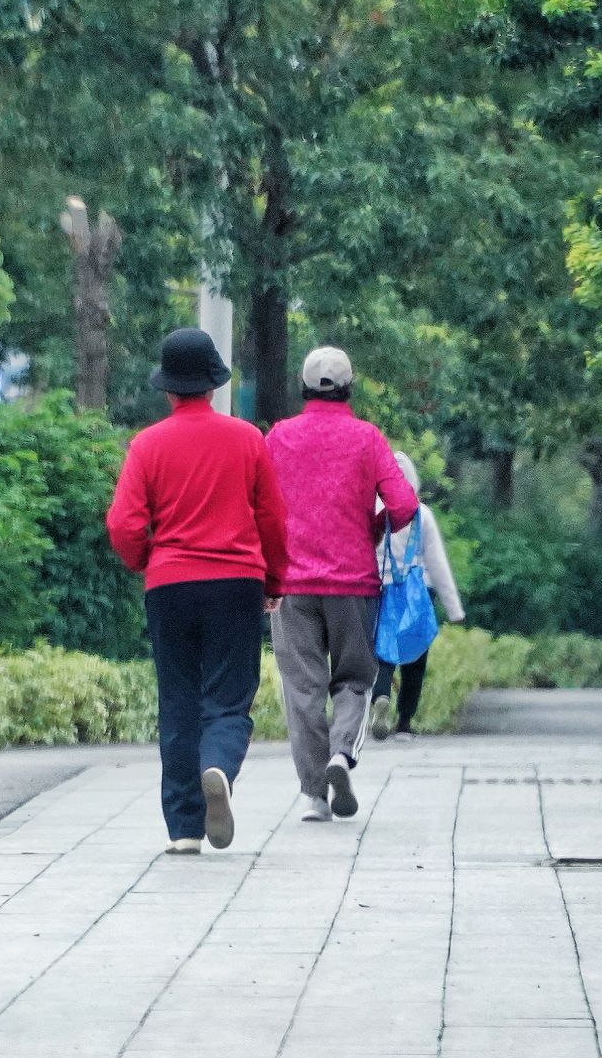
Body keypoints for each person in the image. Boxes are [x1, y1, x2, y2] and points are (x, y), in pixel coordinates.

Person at [106, 329, 288, 854]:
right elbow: (272, 519)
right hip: (236, 584)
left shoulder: (147, 444)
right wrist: (275, 580)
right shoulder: (248, 440)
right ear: (212, 385)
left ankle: (184, 829)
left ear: (168, 389)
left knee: (178, 702)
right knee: (228, 699)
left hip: (171, 584)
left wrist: (148, 559)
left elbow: (123, 523)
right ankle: (220, 767)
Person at [265, 346, 418, 823]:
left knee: (302, 688)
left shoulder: (279, 437)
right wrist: (371, 529)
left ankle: (314, 796)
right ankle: (341, 757)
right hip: (354, 583)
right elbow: (405, 505)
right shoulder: (367, 438)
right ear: (350, 387)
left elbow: (260, 502)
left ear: (303, 386)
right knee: (353, 680)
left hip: (292, 583)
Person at [371, 451, 465, 741]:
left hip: (379, 589)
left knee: (383, 651)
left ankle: (381, 695)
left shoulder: (372, 509)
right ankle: (404, 723)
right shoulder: (421, 514)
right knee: (415, 657)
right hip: (418, 591)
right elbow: (437, 563)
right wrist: (454, 609)